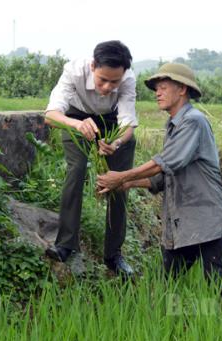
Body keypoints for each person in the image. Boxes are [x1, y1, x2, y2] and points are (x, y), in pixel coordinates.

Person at [97, 63, 222, 295]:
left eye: (162, 87)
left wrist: (121, 176)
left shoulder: (193, 121)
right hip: (182, 226)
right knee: (163, 289)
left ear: (182, 89)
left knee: (221, 292)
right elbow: (162, 178)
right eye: (156, 89)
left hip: (207, 222)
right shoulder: (173, 126)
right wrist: (125, 184)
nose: (157, 93)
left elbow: (164, 163)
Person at [44, 40, 137, 276]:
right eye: (102, 79)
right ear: (93, 65)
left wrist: (115, 142)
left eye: (113, 82)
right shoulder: (73, 71)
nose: (107, 87)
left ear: (123, 74)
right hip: (75, 119)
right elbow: (51, 115)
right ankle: (65, 244)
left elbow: (128, 124)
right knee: (76, 173)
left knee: (117, 182)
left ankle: (113, 255)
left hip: (111, 123)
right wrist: (75, 123)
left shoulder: (127, 80)